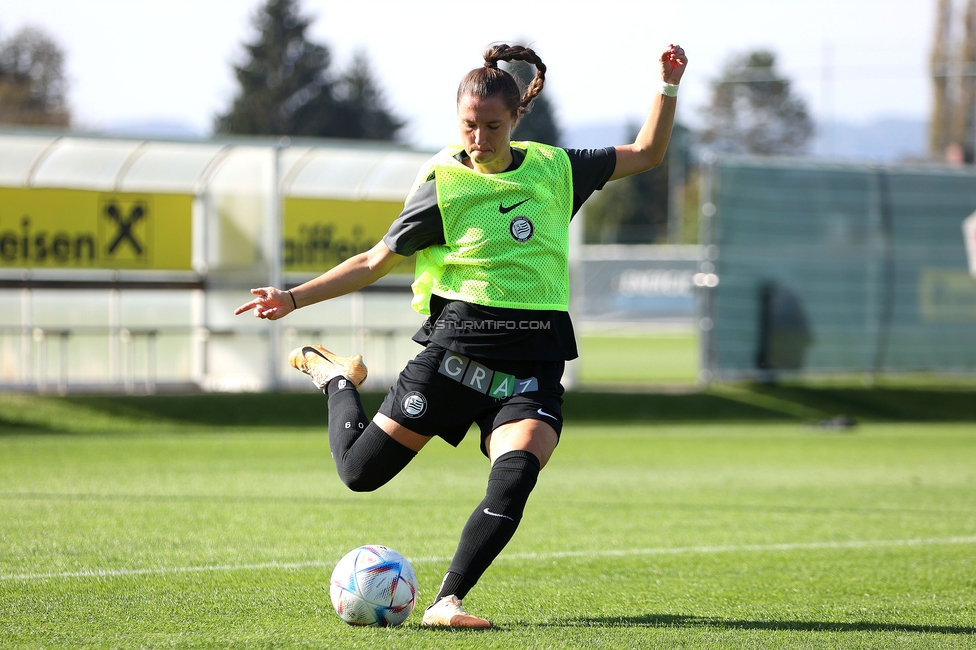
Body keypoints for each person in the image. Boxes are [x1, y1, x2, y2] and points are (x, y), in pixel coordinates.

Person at [235, 42, 687, 628]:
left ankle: (446, 601)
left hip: (531, 365)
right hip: (452, 360)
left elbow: (648, 153)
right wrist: (293, 298)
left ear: (517, 117)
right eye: (469, 126)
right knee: (358, 474)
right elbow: (375, 260)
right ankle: (338, 377)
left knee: (518, 471)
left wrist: (667, 85)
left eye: (493, 126)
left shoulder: (557, 169)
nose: (479, 138)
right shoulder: (443, 184)